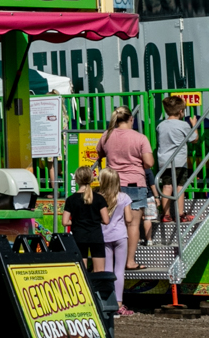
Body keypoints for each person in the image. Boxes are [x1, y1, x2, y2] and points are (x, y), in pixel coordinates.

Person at [99, 108, 154, 249]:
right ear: (131, 119)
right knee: (133, 224)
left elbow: (99, 152)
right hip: (135, 183)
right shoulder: (140, 138)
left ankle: (114, 258)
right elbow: (149, 163)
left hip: (113, 184)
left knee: (113, 222)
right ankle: (129, 260)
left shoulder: (106, 135)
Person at [156, 95, 195, 231]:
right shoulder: (183, 125)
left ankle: (165, 215)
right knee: (180, 187)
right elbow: (194, 139)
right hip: (179, 161)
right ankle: (180, 214)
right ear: (180, 112)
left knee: (167, 186)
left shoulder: (160, 125)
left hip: (164, 162)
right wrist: (194, 125)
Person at [63, 166, 109, 273]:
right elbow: (106, 220)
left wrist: (76, 221)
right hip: (96, 237)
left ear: (76, 179)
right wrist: (95, 220)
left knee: (81, 271)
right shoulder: (99, 198)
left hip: (79, 237)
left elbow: (65, 222)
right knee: (99, 271)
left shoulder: (71, 199)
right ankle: (98, 289)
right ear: (92, 179)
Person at [99, 169, 132, 314]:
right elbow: (129, 219)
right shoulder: (124, 197)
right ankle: (119, 304)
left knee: (107, 269)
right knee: (119, 269)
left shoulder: (97, 197)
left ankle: (108, 301)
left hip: (104, 236)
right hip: (120, 235)